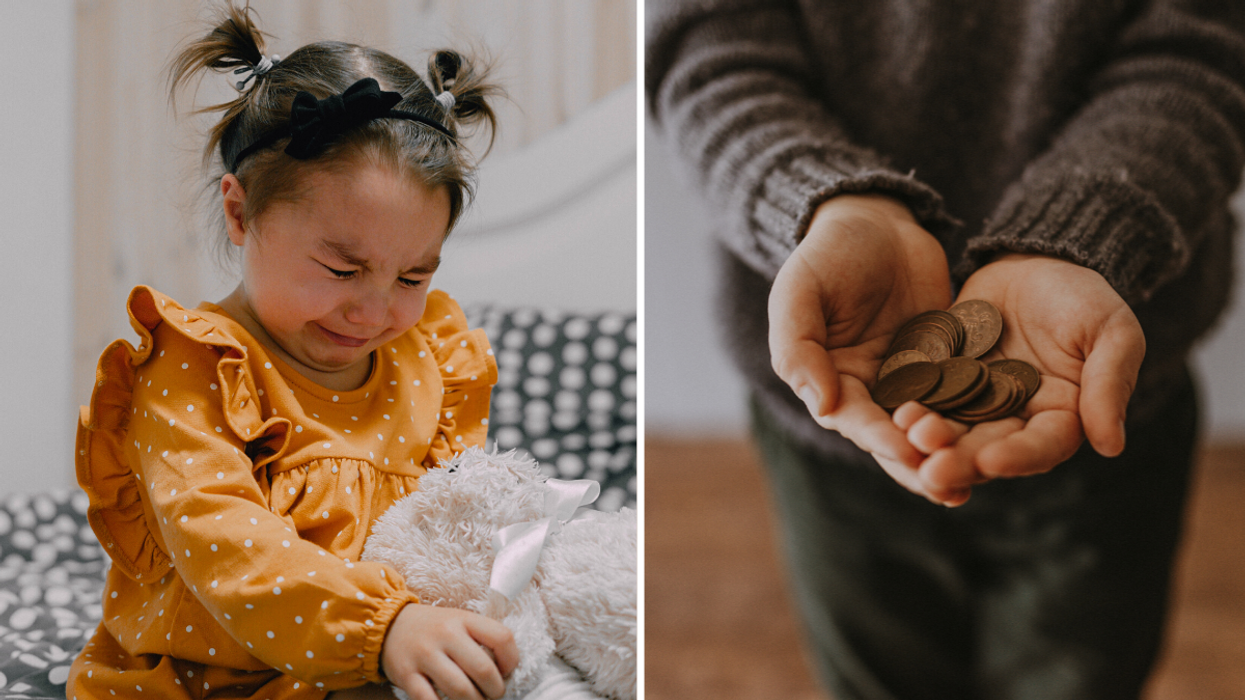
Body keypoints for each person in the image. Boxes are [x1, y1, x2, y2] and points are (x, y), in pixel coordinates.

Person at [647, 1, 1245, 698]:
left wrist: (1086, 229)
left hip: (1102, 403)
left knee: (1086, 676)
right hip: (835, 424)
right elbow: (706, 54)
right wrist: (822, 203)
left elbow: (1203, 52)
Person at [68, 4, 518, 699]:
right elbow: (228, 546)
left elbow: (458, 525)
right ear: (240, 211)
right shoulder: (194, 370)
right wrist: (384, 628)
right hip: (214, 684)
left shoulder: (431, 357)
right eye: (341, 270)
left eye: (412, 277)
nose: (374, 313)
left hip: (385, 666)